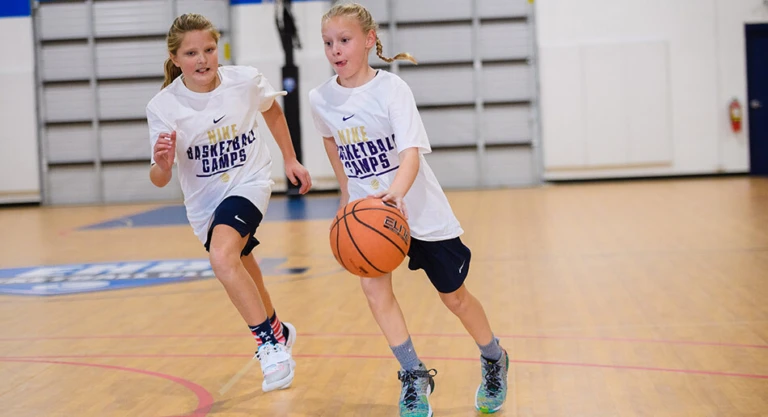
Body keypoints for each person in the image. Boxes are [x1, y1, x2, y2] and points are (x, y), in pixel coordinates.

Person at [308, 3, 509, 416]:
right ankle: (413, 375)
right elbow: (331, 140)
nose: (335, 50)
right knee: (375, 292)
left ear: (368, 40)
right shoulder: (320, 98)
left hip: (417, 207)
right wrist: (346, 194)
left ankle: (493, 357)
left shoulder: (392, 90)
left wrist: (396, 194)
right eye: (328, 43)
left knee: (454, 298)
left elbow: (411, 153)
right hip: (368, 216)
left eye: (344, 41)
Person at [146, 13, 311, 393]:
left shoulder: (244, 80)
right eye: (191, 53)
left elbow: (271, 109)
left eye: (208, 49)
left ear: (218, 49)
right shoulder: (164, 106)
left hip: (249, 181)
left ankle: (269, 346)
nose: (202, 59)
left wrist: (290, 159)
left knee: (222, 257)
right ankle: (279, 329)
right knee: (243, 269)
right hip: (205, 203)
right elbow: (158, 178)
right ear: (175, 59)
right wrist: (164, 164)